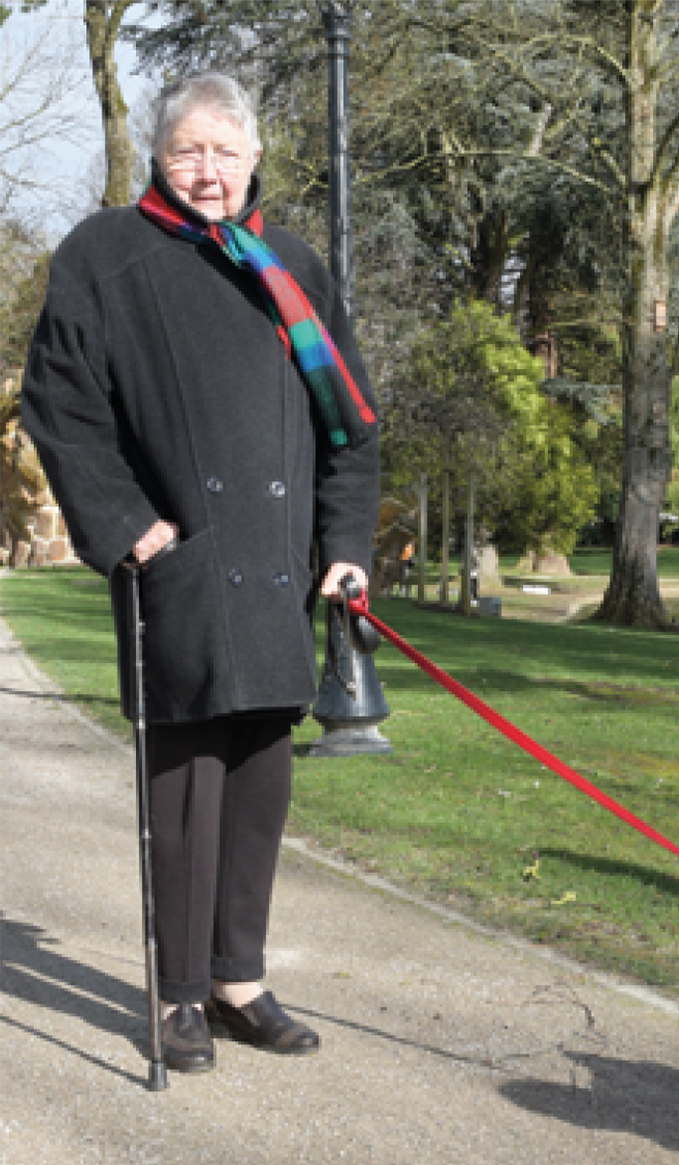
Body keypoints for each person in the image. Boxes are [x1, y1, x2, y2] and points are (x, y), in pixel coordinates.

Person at [21, 72, 380, 1074]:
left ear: (256, 157)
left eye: (226, 150)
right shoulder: (104, 254)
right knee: (184, 785)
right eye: (189, 150)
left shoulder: (292, 266)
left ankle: (238, 980)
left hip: (278, 571)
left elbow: (348, 425)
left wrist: (344, 549)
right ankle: (176, 992)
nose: (209, 170)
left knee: (262, 777)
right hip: (176, 564)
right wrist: (129, 526)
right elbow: (59, 403)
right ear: (159, 157)